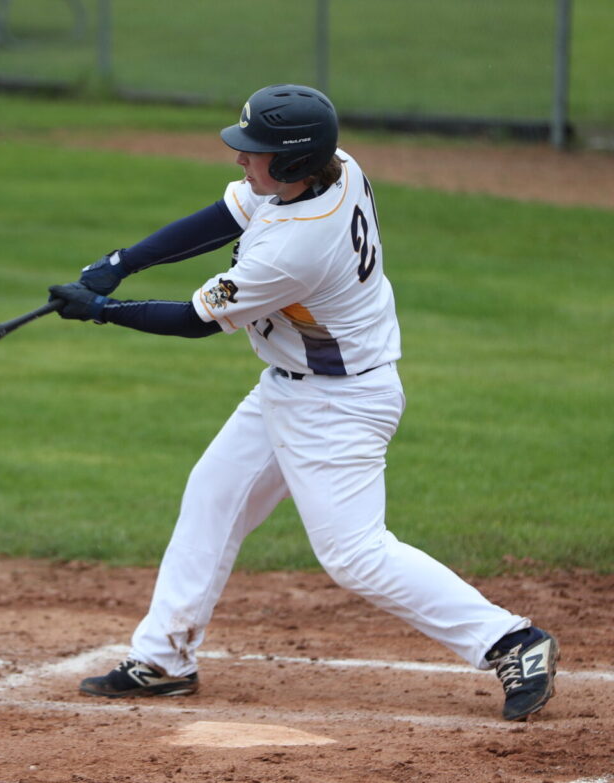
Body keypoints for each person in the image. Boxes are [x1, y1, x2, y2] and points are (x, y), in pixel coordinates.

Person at [46, 84, 558, 722]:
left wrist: (102, 310)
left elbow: (195, 321)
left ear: (291, 162)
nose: (241, 158)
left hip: (337, 404)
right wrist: (121, 262)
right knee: (213, 497)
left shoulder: (295, 248)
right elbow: (223, 215)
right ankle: (164, 659)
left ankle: (512, 641)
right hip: (295, 386)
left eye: (254, 151)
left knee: (355, 555)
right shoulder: (335, 168)